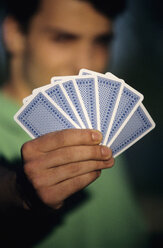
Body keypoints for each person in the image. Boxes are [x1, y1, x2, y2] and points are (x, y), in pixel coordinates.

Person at [0, 0, 148, 247]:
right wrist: (20, 190)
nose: (87, 65)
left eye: (101, 41)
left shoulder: (105, 124)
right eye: (63, 38)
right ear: (14, 33)